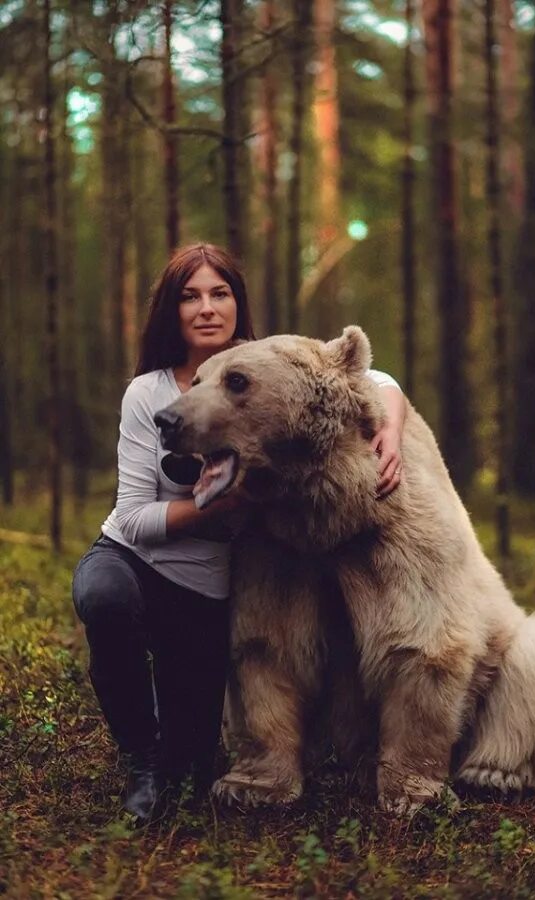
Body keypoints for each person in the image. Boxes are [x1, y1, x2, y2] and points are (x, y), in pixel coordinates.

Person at [72, 242, 407, 825]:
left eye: (219, 293)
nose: (206, 308)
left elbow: (366, 373)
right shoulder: (147, 392)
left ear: (237, 302)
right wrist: (219, 505)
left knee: (198, 764)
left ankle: (171, 753)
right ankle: (140, 761)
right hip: (134, 558)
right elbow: (131, 518)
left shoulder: (260, 364)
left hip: (207, 588)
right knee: (105, 599)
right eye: (189, 296)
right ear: (170, 311)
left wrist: (393, 427)